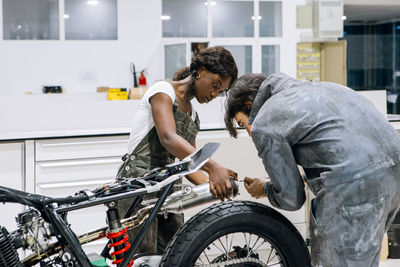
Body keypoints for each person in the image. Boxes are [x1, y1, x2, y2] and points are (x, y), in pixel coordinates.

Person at [224, 72, 400, 267]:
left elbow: (292, 199)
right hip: (394, 173)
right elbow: (338, 147)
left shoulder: (264, 122)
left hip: (354, 184)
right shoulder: (325, 88)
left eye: (242, 124)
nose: (248, 132)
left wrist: (265, 189)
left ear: (249, 106)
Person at [116, 46, 238, 254]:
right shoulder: (163, 91)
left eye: (220, 91)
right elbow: (168, 138)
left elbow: (189, 165)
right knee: (140, 257)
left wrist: (214, 187)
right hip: (138, 184)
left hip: (168, 187)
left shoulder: (193, 117)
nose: (214, 94)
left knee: (174, 255)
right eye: (215, 85)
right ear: (199, 70)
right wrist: (214, 168)